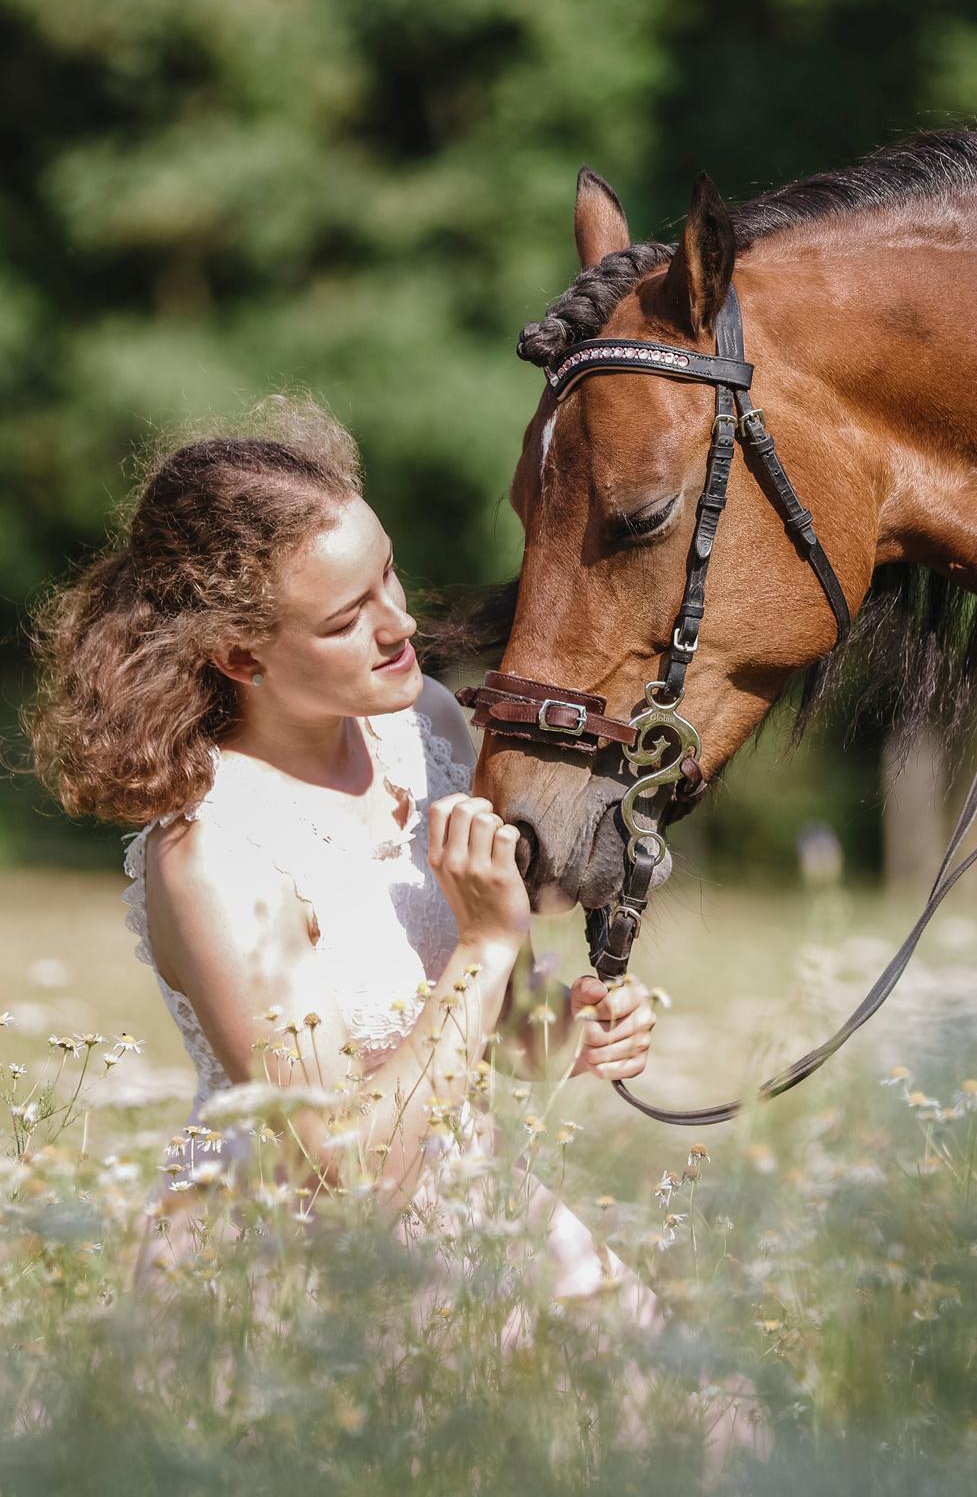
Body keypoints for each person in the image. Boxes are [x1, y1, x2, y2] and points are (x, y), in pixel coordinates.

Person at [25, 395, 663, 1307]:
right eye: (343, 619)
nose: (398, 624)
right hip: (302, 1279)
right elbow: (339, 1173)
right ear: (241, 657)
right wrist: (485, 946)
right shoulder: (215, 856)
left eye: (387, 575)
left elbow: (499, 1033)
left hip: (478, 1218)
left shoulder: (430, 729)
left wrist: (570, 1028)